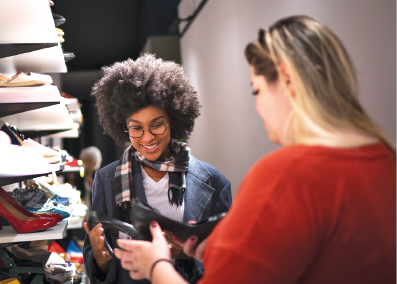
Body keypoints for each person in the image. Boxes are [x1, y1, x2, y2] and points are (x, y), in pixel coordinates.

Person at [114, 15, 396, 284]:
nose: (258, 106)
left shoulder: (288, 174)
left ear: (286, 78)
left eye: (257, 90)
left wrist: (156, 265)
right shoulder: (386, 159)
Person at [82, 54, 232, 284]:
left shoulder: (214, 182)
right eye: (136, 128)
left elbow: (228, 261)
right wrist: (101, 259)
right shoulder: (106, 179)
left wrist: (186, 254)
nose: (148, 137)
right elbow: (96, 265)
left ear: (172, 118)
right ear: (123, 127)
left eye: (157, 124)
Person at [79, 146, 103, 214]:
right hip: (82, 211)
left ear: (95, 161)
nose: (86, 163)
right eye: (84, 160)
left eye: (89, 160)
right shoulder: (80, 174)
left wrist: (93, 186)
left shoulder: (100, 176)